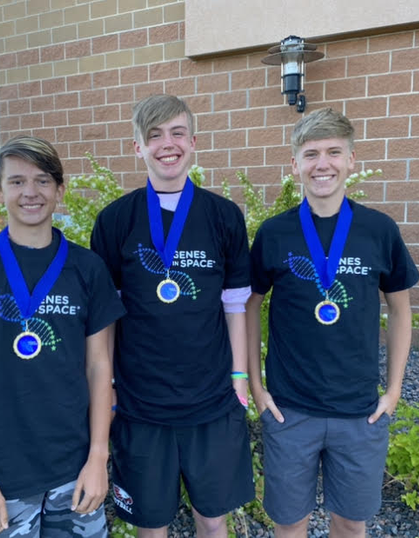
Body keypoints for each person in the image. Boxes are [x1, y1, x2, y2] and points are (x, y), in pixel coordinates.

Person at [0, 136, 125, 538]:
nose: (30, 192)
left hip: (75, 470)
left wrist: (97, 459)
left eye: (42, 180)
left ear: (60, 190)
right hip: (2, 476)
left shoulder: (88, 269)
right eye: (17, 182)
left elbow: (99, 367)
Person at [247, 108, 419, 538]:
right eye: (310, 154)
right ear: (295, 164)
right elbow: (249, 305)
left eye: (333, 152)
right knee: (290, 524)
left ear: (351, 160)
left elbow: (400, 309)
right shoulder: (274, 233)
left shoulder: (378, 230)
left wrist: (393, 390)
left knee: (350, 523)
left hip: (359, 412)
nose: (322, 164)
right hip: (290, 410)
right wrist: (256, 386)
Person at [90, 94, 254, 538]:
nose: (168, 144)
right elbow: (105, 319)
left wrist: (240, 380)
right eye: (155, 135)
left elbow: (235, 306)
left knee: (213, 520)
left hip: (213, 401)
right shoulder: (115, 220)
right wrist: (107, 387)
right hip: (140, 405)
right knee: (151, 525)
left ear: (193, 142)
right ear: (138, 147)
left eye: (178, 133)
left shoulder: (223, 216)